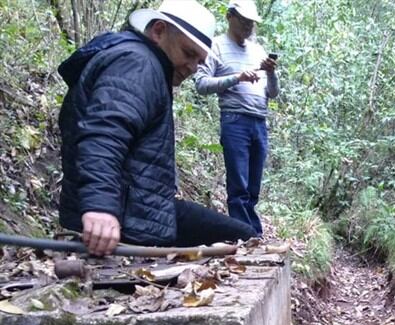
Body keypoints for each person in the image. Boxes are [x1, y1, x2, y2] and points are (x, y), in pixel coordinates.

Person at [58, 0, 257, 256]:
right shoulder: (137, 64)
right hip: (125, 222)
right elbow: (104, 134)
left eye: (199, 60)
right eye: (188, 53)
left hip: (141, 212)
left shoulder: (142, 62)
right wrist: (100, 207)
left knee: (242, 236)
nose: (193, 67)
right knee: (245, 237)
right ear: (159, 31)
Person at [194, 0, 279, 236]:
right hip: (234, 120)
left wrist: (271, 73)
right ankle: (246, 235)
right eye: (243, 21)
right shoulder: (216, 46)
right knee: (239, 184)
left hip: (259, 121)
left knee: (253, 187)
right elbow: (201, 84)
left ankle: (250, 233)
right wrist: (236, 77)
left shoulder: (258, 50)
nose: (248, 26)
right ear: (230, 17)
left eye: (251, 22)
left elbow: (272, 93)